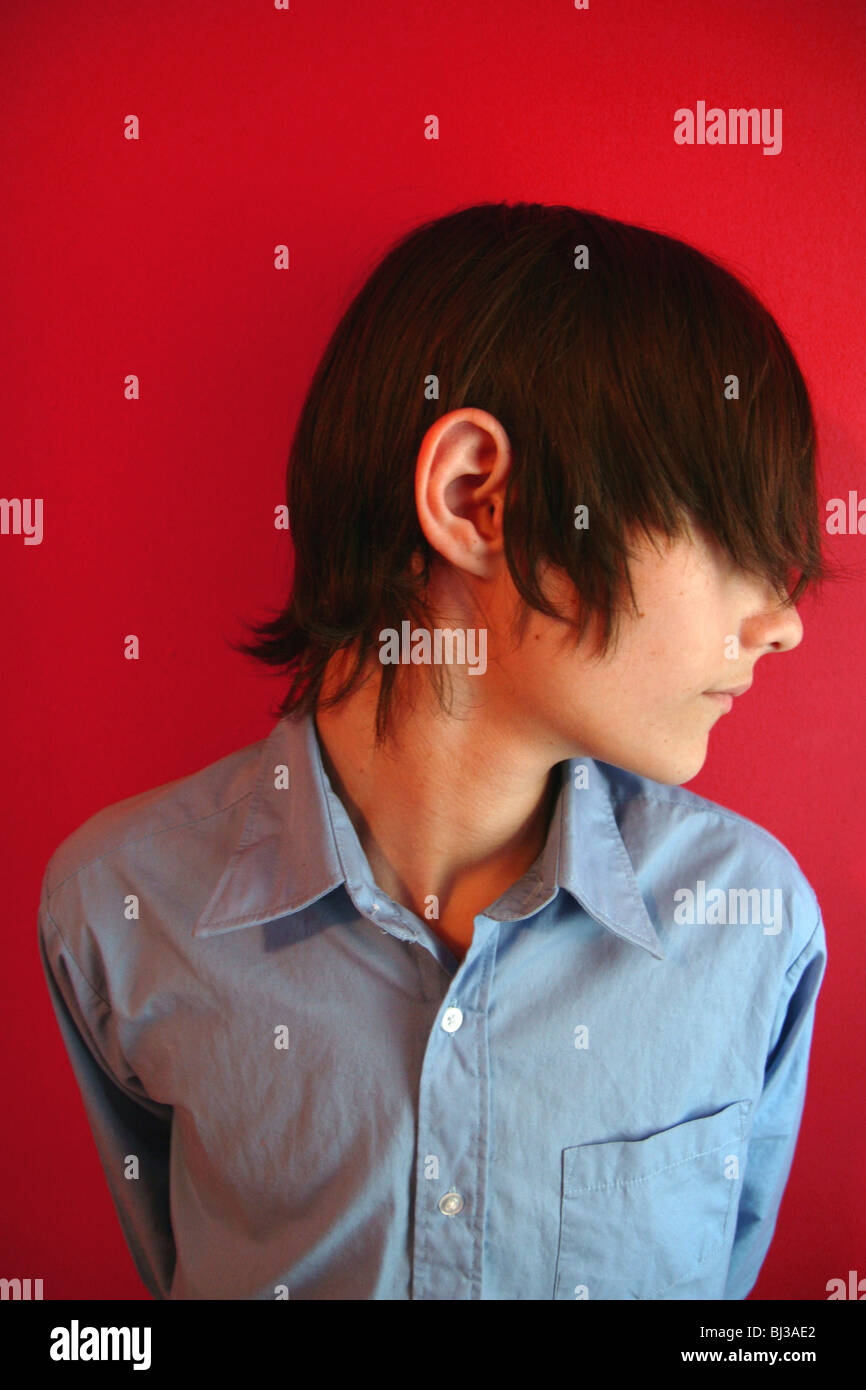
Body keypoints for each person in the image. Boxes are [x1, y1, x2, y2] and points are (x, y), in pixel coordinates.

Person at [38, 202, 828, 1300]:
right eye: (733, 533)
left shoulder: (753, 926)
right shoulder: (118, 909)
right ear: (474, 499)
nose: (782, 620)